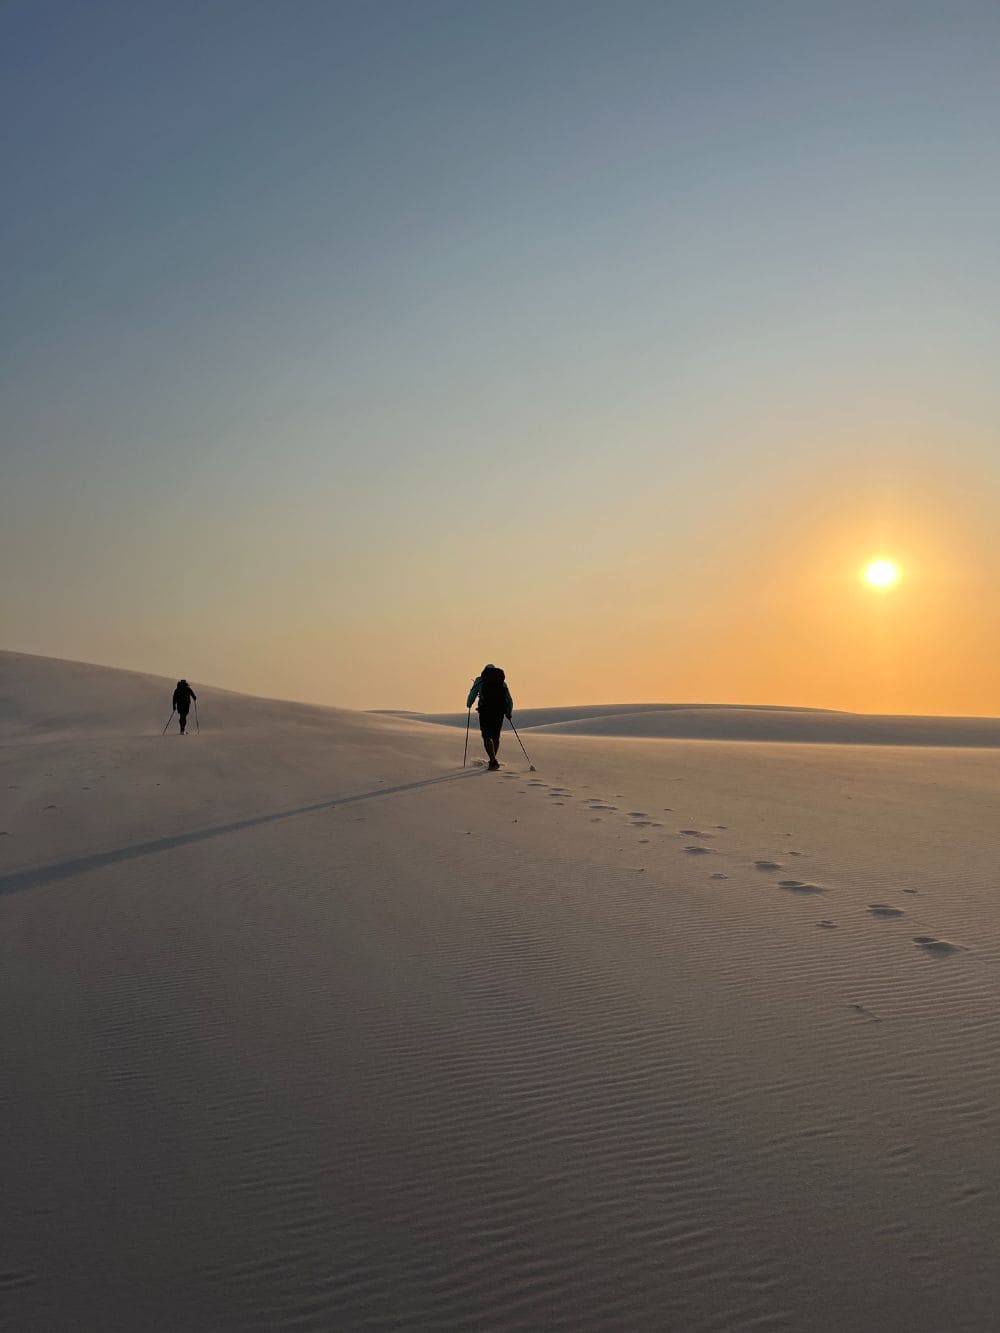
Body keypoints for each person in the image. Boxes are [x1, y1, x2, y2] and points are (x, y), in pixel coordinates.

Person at [466, 664, 513, 769]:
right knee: (495, 737)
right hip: (499, 712)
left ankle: (492, 760)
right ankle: (493, 760)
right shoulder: (502, 682)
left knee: (487, 736)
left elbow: (473, 692)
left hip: (485, 711)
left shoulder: (480, 680)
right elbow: (509, 698)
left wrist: (469, 703)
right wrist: (508, 712)